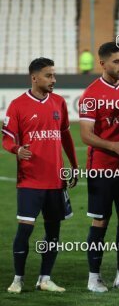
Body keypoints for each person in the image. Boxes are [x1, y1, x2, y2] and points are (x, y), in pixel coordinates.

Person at [3, 58, 78, 293]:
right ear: (34, 78)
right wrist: (17, 149)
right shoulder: (17, 105)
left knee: (53, 231)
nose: (53, 80)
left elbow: (65, 136)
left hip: (56, 180)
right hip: (30, 180)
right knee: (25, 229)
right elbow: (7, 138)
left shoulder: (58, 102)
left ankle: (45, 279)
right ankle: (17, 279)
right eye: (48, 75)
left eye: (54, 75)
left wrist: (73, 166)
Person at [79, 42, 119, 293]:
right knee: (100, 223)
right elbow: (86, 135)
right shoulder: (90, 95)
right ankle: (93, 277)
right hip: (102, 169)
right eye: (116, 61)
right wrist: (113, 146)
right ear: (103, 63)